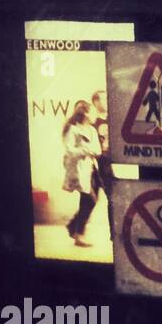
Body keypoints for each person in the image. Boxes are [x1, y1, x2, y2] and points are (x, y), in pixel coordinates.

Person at [61, 99, 103, 248]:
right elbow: (69, 150)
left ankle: (73, 227)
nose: (94, 115)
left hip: (92, 169)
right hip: (79, 170)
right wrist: (86, 150)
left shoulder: (91, 130)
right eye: (91, 112)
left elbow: (97, 150)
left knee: (90, 200)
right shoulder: (72, 129)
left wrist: (87, 149)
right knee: (89, 200)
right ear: (85, 113)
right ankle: (78, 234)